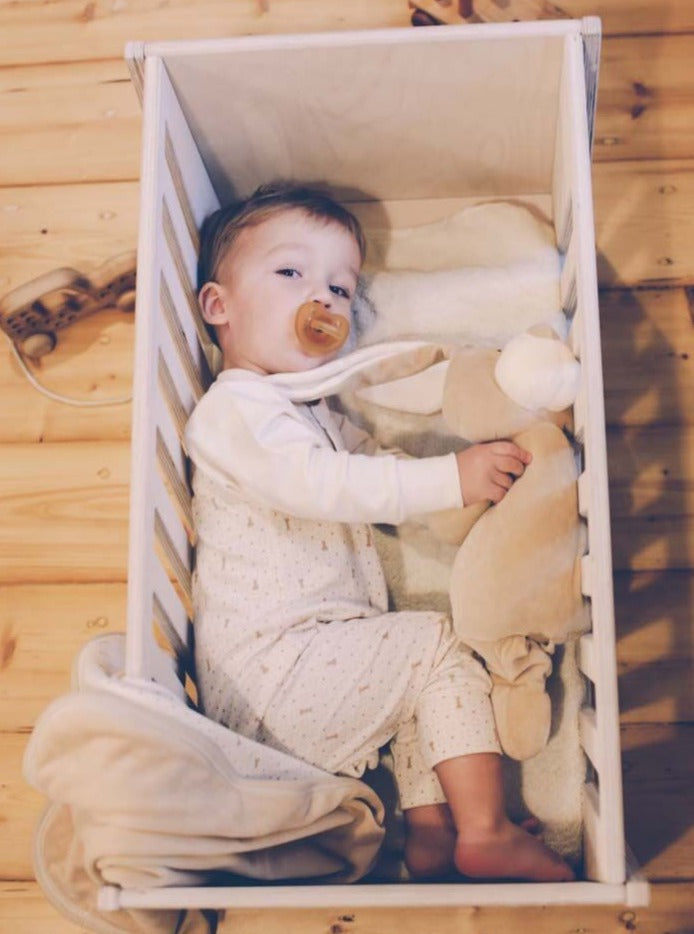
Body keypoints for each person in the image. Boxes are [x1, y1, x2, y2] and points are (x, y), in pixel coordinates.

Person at [184, 181, 574, 882]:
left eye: (341, 287)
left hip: (308, 664)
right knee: (437, 645)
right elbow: (324, 485)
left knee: (416, 694)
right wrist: (448, 480)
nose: (324, 299)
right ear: (220, 307)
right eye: (291, 273)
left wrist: (458, 489)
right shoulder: (232, 412)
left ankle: (431, 832)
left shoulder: (307, 410)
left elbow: (367, 464)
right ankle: (483, 830)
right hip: (275, 672)